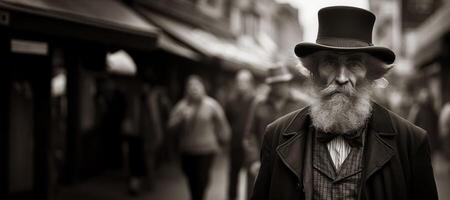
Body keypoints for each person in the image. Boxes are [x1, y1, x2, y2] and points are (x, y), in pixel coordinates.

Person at [251, 6, 438, 200]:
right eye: (330, 63)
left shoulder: (411, 142)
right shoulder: (276, 136)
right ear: (313, 71)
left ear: (371, 73)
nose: (341, 77)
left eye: (354, 64)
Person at [243, 65, 308, 199]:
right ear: (270, 85)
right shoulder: (259, 104)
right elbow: (249, 135)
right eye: (275, 83)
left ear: (288, 82)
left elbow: (308, 136)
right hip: (262, 162)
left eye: (282, 82)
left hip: (291, 165)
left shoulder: (302, 104)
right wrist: (254, 160)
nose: (279, 86)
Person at [168, 75, 230, 200]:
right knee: (190, 177)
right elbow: (170, 126)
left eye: (197, 86)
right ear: (187, 90)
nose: (194, 89)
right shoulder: (182, 106)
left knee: (201, 179)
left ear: (203, 88)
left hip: (207, 149)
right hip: (187, 150)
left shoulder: (211, 105)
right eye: (191, 86)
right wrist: (180, 118)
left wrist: (223, 142)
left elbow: (223, 125)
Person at [225, 70, 256, 200]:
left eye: (244, 81)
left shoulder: (256, 101)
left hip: (251, 145)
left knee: (252, 177)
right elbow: (228, 119)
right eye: (239, 81)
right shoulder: (231, 101)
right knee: (233, 175)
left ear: (250, 83)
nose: (241, 84)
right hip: (235, 143)